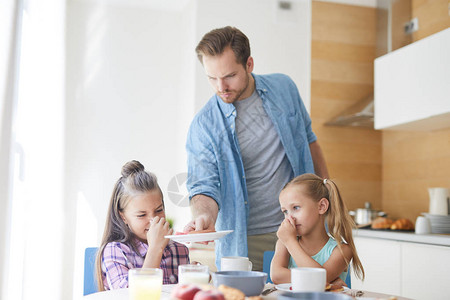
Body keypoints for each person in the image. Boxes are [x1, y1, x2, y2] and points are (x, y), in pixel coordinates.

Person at [184, 26, 329, 271]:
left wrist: (329, 197)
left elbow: (309, 141)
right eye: (212, 78)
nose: (221, 86)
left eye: (229, 75)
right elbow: (203, 187)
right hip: (245, 241)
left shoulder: (284, 88)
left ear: (249, 64)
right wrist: (204, 216)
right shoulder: (203, 125)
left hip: (305, 230)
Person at [95, 160, 189, 290]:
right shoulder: (115, 252)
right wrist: (155, 249)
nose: (153, 220)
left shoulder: (179, 250)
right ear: (123, 216)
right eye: (141, 215)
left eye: (159, 210)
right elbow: (131, 296)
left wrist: (193, 279)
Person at [271, 173, 364, 285]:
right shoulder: (283, 243)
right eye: (285, 211)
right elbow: (276, 276)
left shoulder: (342, 250)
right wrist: (327, 281)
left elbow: (318, 278)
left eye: (296, 207)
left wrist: (291, 242)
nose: (289, 218)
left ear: (321, 206)